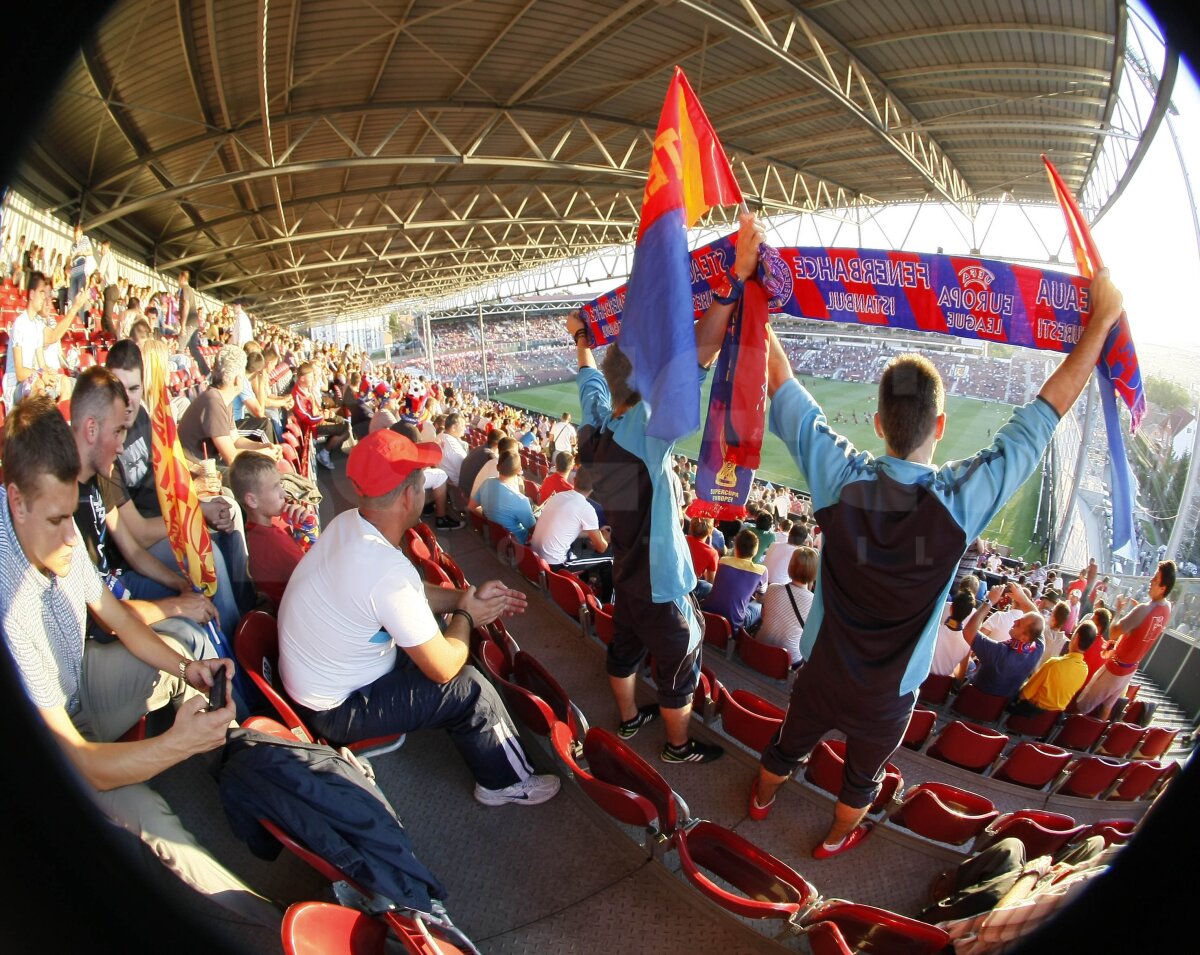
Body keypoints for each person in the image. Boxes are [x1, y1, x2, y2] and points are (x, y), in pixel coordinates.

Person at [746, 267, 1125, 859]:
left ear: (877, 425)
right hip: (889, 693)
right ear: (941, 427)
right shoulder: (960, 503)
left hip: (820, 669)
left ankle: (761, 800)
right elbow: (1043, 417)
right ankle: (835, 839)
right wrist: (1099, 322)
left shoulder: (838, 480)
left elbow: (784, 388)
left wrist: (755, 296)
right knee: (861, 781)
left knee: (786, 747)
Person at [0, 396, 278, 928]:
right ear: (15, 501)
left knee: (192, 646)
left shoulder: (51, 515)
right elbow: (78, 760)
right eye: (58, 520)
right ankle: (267, 921)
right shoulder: (9, 602)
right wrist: (173, 746)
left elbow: (119, 619)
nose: (69, 539)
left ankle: (249, 767)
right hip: (56, 742)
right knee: (159, 823)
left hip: (78, 678)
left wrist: (184, 670)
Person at [566, 210, 764, 763]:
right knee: (680, 664)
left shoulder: (597, 428)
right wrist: (732, 282)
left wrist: (582, 339)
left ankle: (628, 720)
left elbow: (589, 382)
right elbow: (699, 355)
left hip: (626, 570)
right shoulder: (642, 433)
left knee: (624, 648)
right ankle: (676, 748)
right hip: (659, 580)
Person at [276, 429, 560, 807]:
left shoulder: (349, 523)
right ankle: (504, 782)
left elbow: (408, 597)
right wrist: (466, 615)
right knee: (468, 687)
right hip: (336, 708)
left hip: (320, 679)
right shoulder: (384, 570)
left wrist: (464, 596)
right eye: (423, 482)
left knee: (443, 637)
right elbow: (443, 669)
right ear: (410, 495)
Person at [1074, 561, 1175, 719]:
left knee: (1083, 704)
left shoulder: (1143, 609)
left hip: (1115, 668)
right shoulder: (1167, 608)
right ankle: (1091, 740)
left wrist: (1120, 611)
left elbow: (1114, 633)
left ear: (1163, 588)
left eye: (1155, 579)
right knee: (1106, 708)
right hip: (1130, 670)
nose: (1150, 581)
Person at [229, 450, 308, 611]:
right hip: (304, 615)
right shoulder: (274, 540)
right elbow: (318, 576)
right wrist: (310, 532)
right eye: (275, 487)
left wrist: (300, 531)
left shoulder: (256, 533)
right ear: (252, 500)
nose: (283, 493)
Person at [178, 345, 281, 468]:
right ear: (238, 380)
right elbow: (231, 458)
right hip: (198, 472)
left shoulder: (223, 398)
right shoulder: (213, 401)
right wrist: (264, 454)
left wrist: (263, 447)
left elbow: (236, 440)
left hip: (208, 466)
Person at [528, 467, 612, 602]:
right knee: (608, 558)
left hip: (535, 556)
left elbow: (569, 530)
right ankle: (607, 604)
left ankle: (587, 582)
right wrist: (605, 538)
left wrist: (593, 534)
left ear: (574, 480)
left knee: (583, 546)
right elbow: (601, 547)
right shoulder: (586, 509)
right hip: (555, 564)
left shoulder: (558, 496)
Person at [960, 586, 1045, 698]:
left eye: (1019, 623)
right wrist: (1021, 597)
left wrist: (989, 602)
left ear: (1025, 638)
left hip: (969, 701)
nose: (1015, 621)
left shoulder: (999, 652)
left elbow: (969, 631)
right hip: (998, 709)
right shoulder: (1037, 648)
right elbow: (1038, 618)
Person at [1010, 621, 1097, 718]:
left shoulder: (1054, 664)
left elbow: (1024, 694)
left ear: (1076, 638)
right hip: (1050, 722)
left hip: (1030, 715)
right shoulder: (1084, 670)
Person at [756, 546, 818, 668]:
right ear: (814, 572)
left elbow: (763, 616)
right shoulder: (814, 604)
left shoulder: (773, 588)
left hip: (758, 647)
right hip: (787, 661)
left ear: (790, 566)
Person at [702, 527, 768, 632]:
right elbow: (760, 598)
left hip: (707, 615)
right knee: (759, 605)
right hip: (734, 625)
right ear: (755, 551)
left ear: (735, 547)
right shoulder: (761, 571)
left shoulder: (723, 561)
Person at [472, 450, 535, 544]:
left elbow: (474, 507)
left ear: (497, 467)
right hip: (517, 544)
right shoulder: (521, 500)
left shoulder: (486, 482)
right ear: (519, 470)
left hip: (496, 537)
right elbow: (533, 531)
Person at [929, 590, 978, 678]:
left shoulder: (933, 631)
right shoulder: (967, 645)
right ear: (969, 613)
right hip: (941, 689)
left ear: (951, 608)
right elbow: (960, 676)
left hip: (919, 682)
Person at [685, 517, 720, 600]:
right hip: (689, 588)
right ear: (710, 532)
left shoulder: (681, 539)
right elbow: (711, 580)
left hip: (672, 579)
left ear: (691, 528)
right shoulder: (712, 553)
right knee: (708, 587)